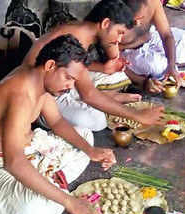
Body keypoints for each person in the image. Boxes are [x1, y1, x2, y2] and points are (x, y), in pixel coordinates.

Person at [0, 35, 116, 214]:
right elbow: (14, 162)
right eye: (69, 78)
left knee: (85, 136)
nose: (70, 86)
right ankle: (50, 184)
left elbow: (56, 121)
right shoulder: (20, 94)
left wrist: (91, 151)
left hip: (26, 149)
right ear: (50, 66)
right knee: (40, 208)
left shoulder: (39, 81)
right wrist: (70, 202)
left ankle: (48, 181)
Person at [23, 0, 165, 131]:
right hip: (40, 98)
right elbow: (88, 94)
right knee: (97, 121)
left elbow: (73, 65)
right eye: (119, 33)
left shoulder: (83, 30)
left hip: (58, 80)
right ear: (105, 24)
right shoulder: (76, 37)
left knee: (116, 76)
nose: (119, 39)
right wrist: (138, 116)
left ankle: (102, 97)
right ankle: (101, 98)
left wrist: (104, 68)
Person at [121, 0, 185, 93]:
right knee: (156, 67)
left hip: (151, 37)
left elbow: (166, 35)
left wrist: (172, 66)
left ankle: (173, 63)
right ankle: (176, 61)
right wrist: (142, 82)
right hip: (128, 50)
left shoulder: (153, 2)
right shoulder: (117, 9)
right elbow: (111, 56)